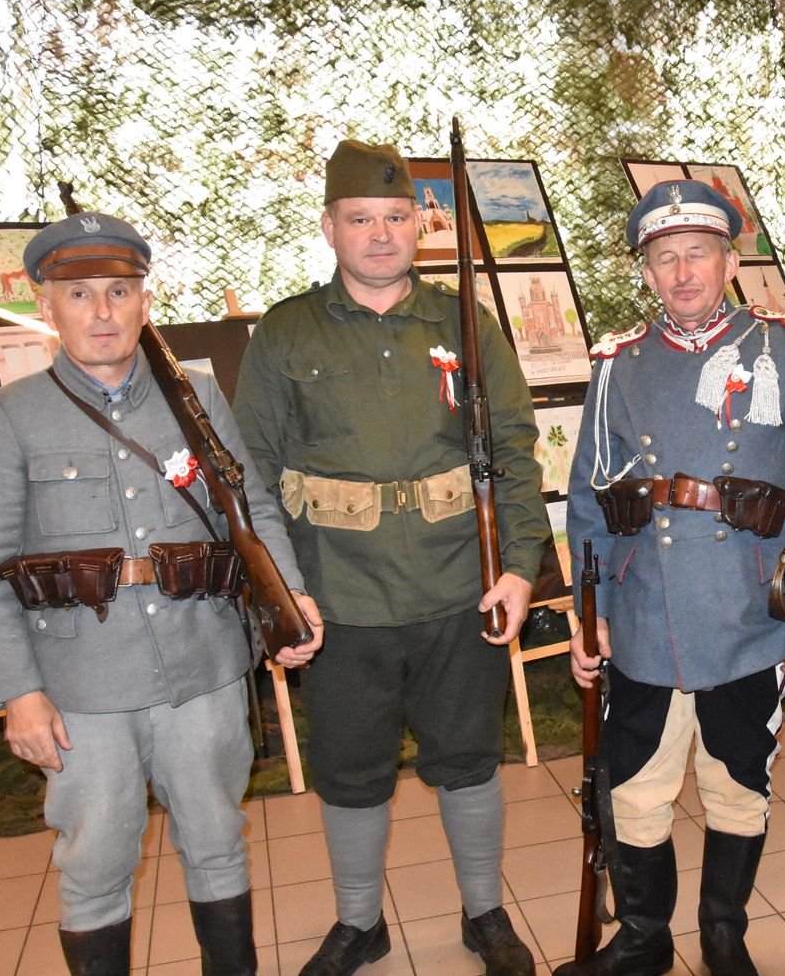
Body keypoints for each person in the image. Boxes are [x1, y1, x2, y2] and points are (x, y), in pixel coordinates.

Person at [0, 213, 324, 975]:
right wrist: (17, 693)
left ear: (144, 302)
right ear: (47, 306)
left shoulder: (196, 397)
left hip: (202, 666)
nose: (102, 311)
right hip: (81, 687)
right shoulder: (13, 415)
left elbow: (250, 506)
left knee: (217, 840)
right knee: (95, 863)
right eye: (79, 293)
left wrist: (290, 597)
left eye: (119, 292)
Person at [232, 140, 548, 976]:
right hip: (337, 599)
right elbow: (251, 475)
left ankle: (485, 911)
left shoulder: (465, 324)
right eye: (361, 219)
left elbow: (514, 450)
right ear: (329, 227)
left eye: (396, 217)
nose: (380, 235)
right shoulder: (286, 331)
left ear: (420, 225)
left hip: (458, 588)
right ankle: (358, 922)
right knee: (349, 770)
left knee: (469, 759)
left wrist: (519, 568)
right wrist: (282, 596)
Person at [559, 179, 785, 976]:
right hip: (645, 607)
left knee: (738, 780)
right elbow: (590, 496)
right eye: (665, 258)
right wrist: (593, 610)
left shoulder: (784, 348)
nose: (683, 272)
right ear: (646, 271)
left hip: (749, 608)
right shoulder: (618, 364)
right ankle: (645, 936)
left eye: (697, 253)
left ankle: (723, 930)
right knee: (635, 784)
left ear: (729, 260)